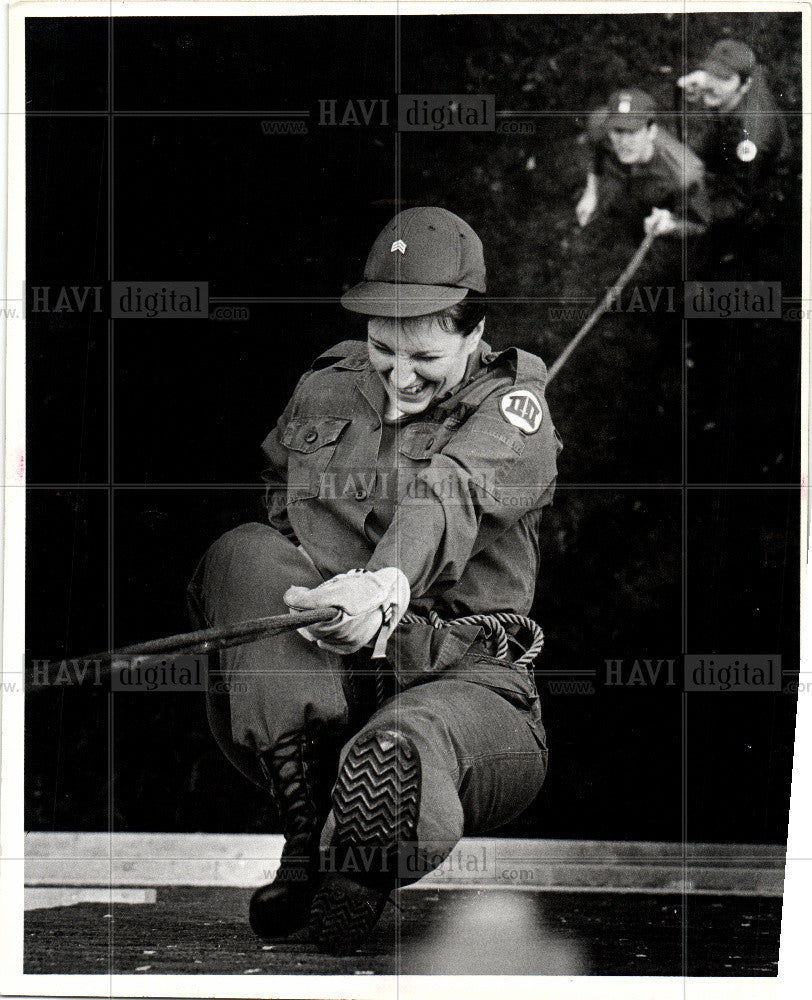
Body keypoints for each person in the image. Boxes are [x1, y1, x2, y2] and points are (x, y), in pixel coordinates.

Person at [187, 207, 562, 955]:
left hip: (462, 678)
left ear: (473, 330)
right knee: (244, 553)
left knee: (405, 742)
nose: (399, 374)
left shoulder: (514, 414)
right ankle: (307, 835)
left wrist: (385, 582)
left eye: (424, 356)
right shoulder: (326, 387)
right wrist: (316, 593)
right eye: (382, 348)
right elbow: (278, 487)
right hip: (330, 676)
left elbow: (448, 495)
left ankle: (363, 854)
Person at [676, 39, 789, 233]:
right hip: (727, 128)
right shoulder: (742, 82)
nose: (711, 85)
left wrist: (688, 218)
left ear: (745, 85)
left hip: (759, 190)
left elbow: (738, 202)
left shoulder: (750, 139)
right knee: (685, 165)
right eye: (711, 73)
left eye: (723, 78)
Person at [575, 87, 711, 241]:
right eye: (618, 131)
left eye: (633, 132)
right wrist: (591, 192)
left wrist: (672, 225)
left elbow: (700, 223)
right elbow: (597, 154)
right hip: (629, 188)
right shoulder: (599, 126)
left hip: (661, 206)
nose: (624, 143)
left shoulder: (685, 174)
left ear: (651, 131)